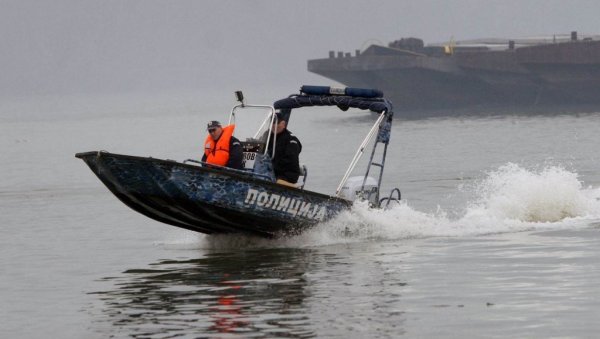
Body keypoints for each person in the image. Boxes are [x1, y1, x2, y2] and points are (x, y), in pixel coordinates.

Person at [264, 112, 302, 186]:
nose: (273, 125)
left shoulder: (291, 140)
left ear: (283, 124)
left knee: (271, 179)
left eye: (276, 123)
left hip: (286, 175)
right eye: (271, 123)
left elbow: (290, 161)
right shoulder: (266, 136)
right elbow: (260, 150)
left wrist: (270, 166)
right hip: (268, 172)